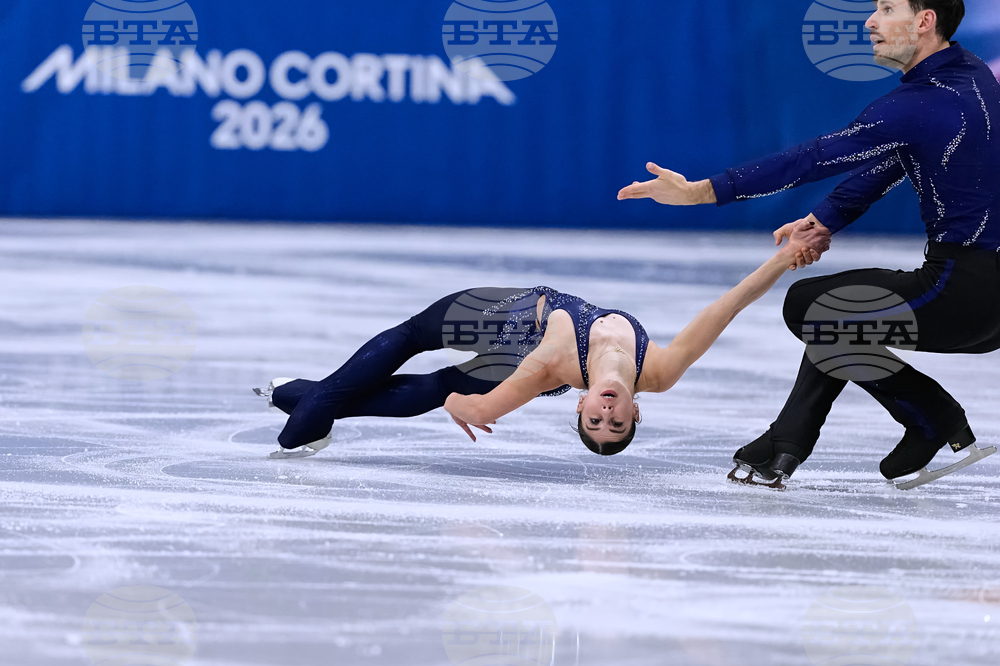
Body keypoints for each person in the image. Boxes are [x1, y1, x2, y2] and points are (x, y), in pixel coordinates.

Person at [618, 0, 1000, 489]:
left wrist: (701, 191)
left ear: (925, 21)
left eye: (887, 9)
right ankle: (789, 442)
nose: (871, 21)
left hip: (962, 293)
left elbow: (812, 158)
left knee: (811, 306)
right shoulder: (970, 75)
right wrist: (826, 219)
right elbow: (899, 158)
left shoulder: (918, 103)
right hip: (984, 294)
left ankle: (933, 415)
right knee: (834, 312)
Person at [254, 224, 826, 459]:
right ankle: (296, 396)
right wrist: (784, 258)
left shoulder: (553, 367)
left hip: (503, 322)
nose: (606, 415)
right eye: (616, 423)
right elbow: (727, 306)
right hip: (517, 343)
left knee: (415, 345)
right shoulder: (661, 370)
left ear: (579, 405)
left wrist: (459, 403)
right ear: (635, 412)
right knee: (424, 367)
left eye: (595, 422)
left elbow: (473, 408)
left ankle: (305, 414)